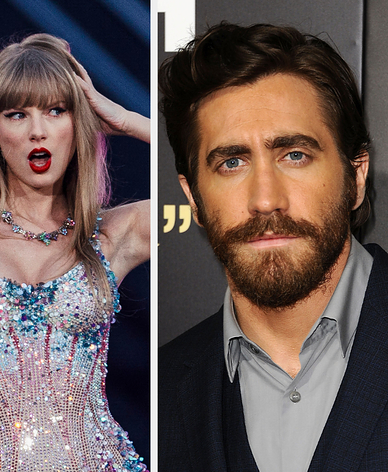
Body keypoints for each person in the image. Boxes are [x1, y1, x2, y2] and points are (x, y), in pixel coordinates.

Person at [157, 22, 388, 471]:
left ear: (356, 176)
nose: (266, 199)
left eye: (294, 155)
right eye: (232, 162)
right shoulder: (159, 392)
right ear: (193, 199)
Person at [0, 33, 150, 471]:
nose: (37, 130)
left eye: (56, 110)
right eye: (17, 114)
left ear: (77, 123)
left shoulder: (110, 234)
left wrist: (125, 119)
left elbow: (208, 202)